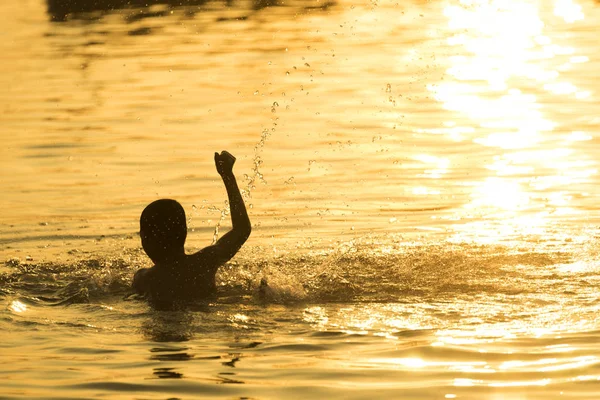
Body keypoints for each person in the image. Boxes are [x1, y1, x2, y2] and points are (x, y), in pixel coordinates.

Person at [132, 151, 251, 306]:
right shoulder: (203, 263)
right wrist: (228, 176)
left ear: (145, 239)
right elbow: (241, 230)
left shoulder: (144, 278)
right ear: (184, 233)